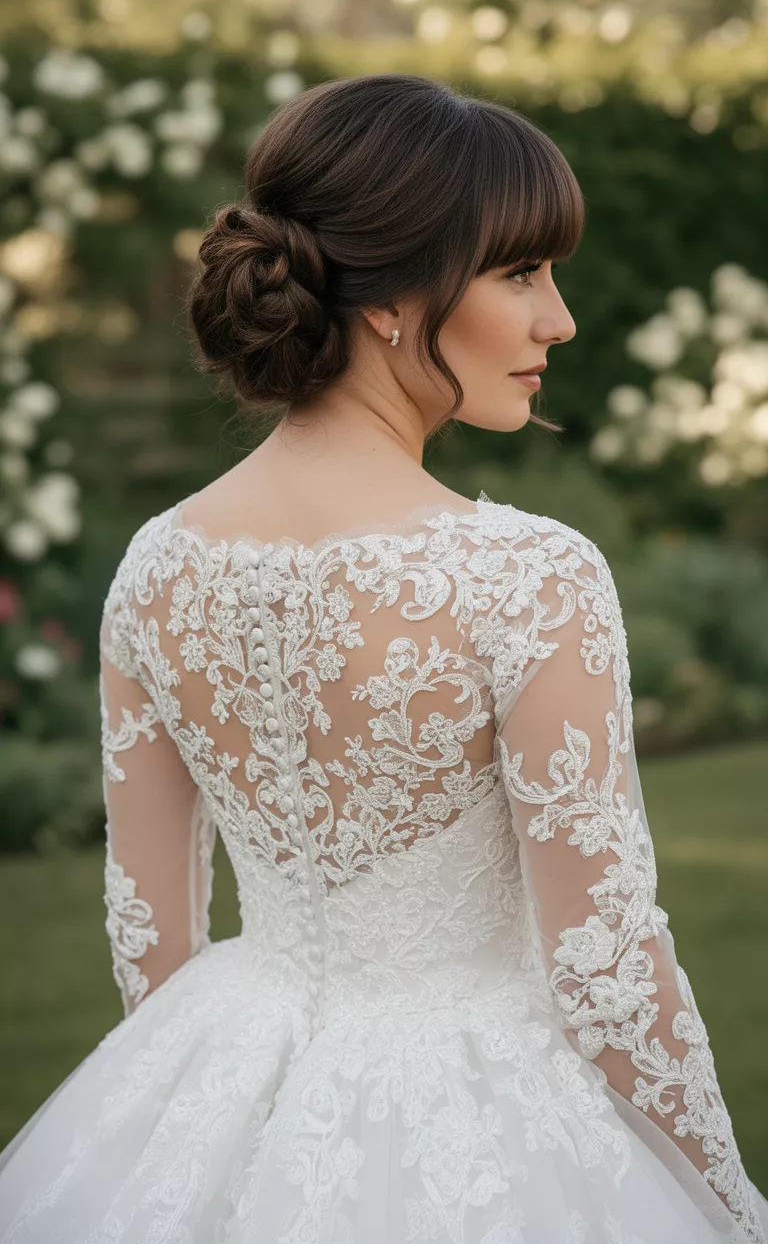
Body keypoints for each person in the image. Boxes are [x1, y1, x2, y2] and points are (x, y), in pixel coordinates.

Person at [0, 73, 765, 1244]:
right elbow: (606, 966)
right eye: (522, 272)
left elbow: (150, 945)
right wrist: (726, 1200)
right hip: (481, 1126)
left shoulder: (157, 568)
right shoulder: (530, 577)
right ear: (396, 300)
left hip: (217, 1065)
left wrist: (193, 1140)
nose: (558, 319)